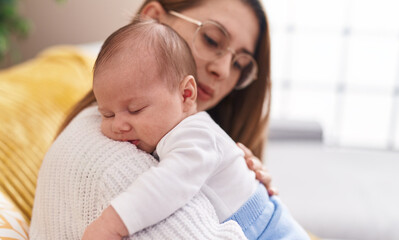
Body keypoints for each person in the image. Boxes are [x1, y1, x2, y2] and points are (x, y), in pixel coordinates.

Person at [82, 19, 309, 240]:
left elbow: (169, 184)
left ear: (186, 95)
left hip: (267, 230)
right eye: (107, 114)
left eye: (136, 110)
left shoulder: (195, 134)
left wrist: (111, 224)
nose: (118, 125)